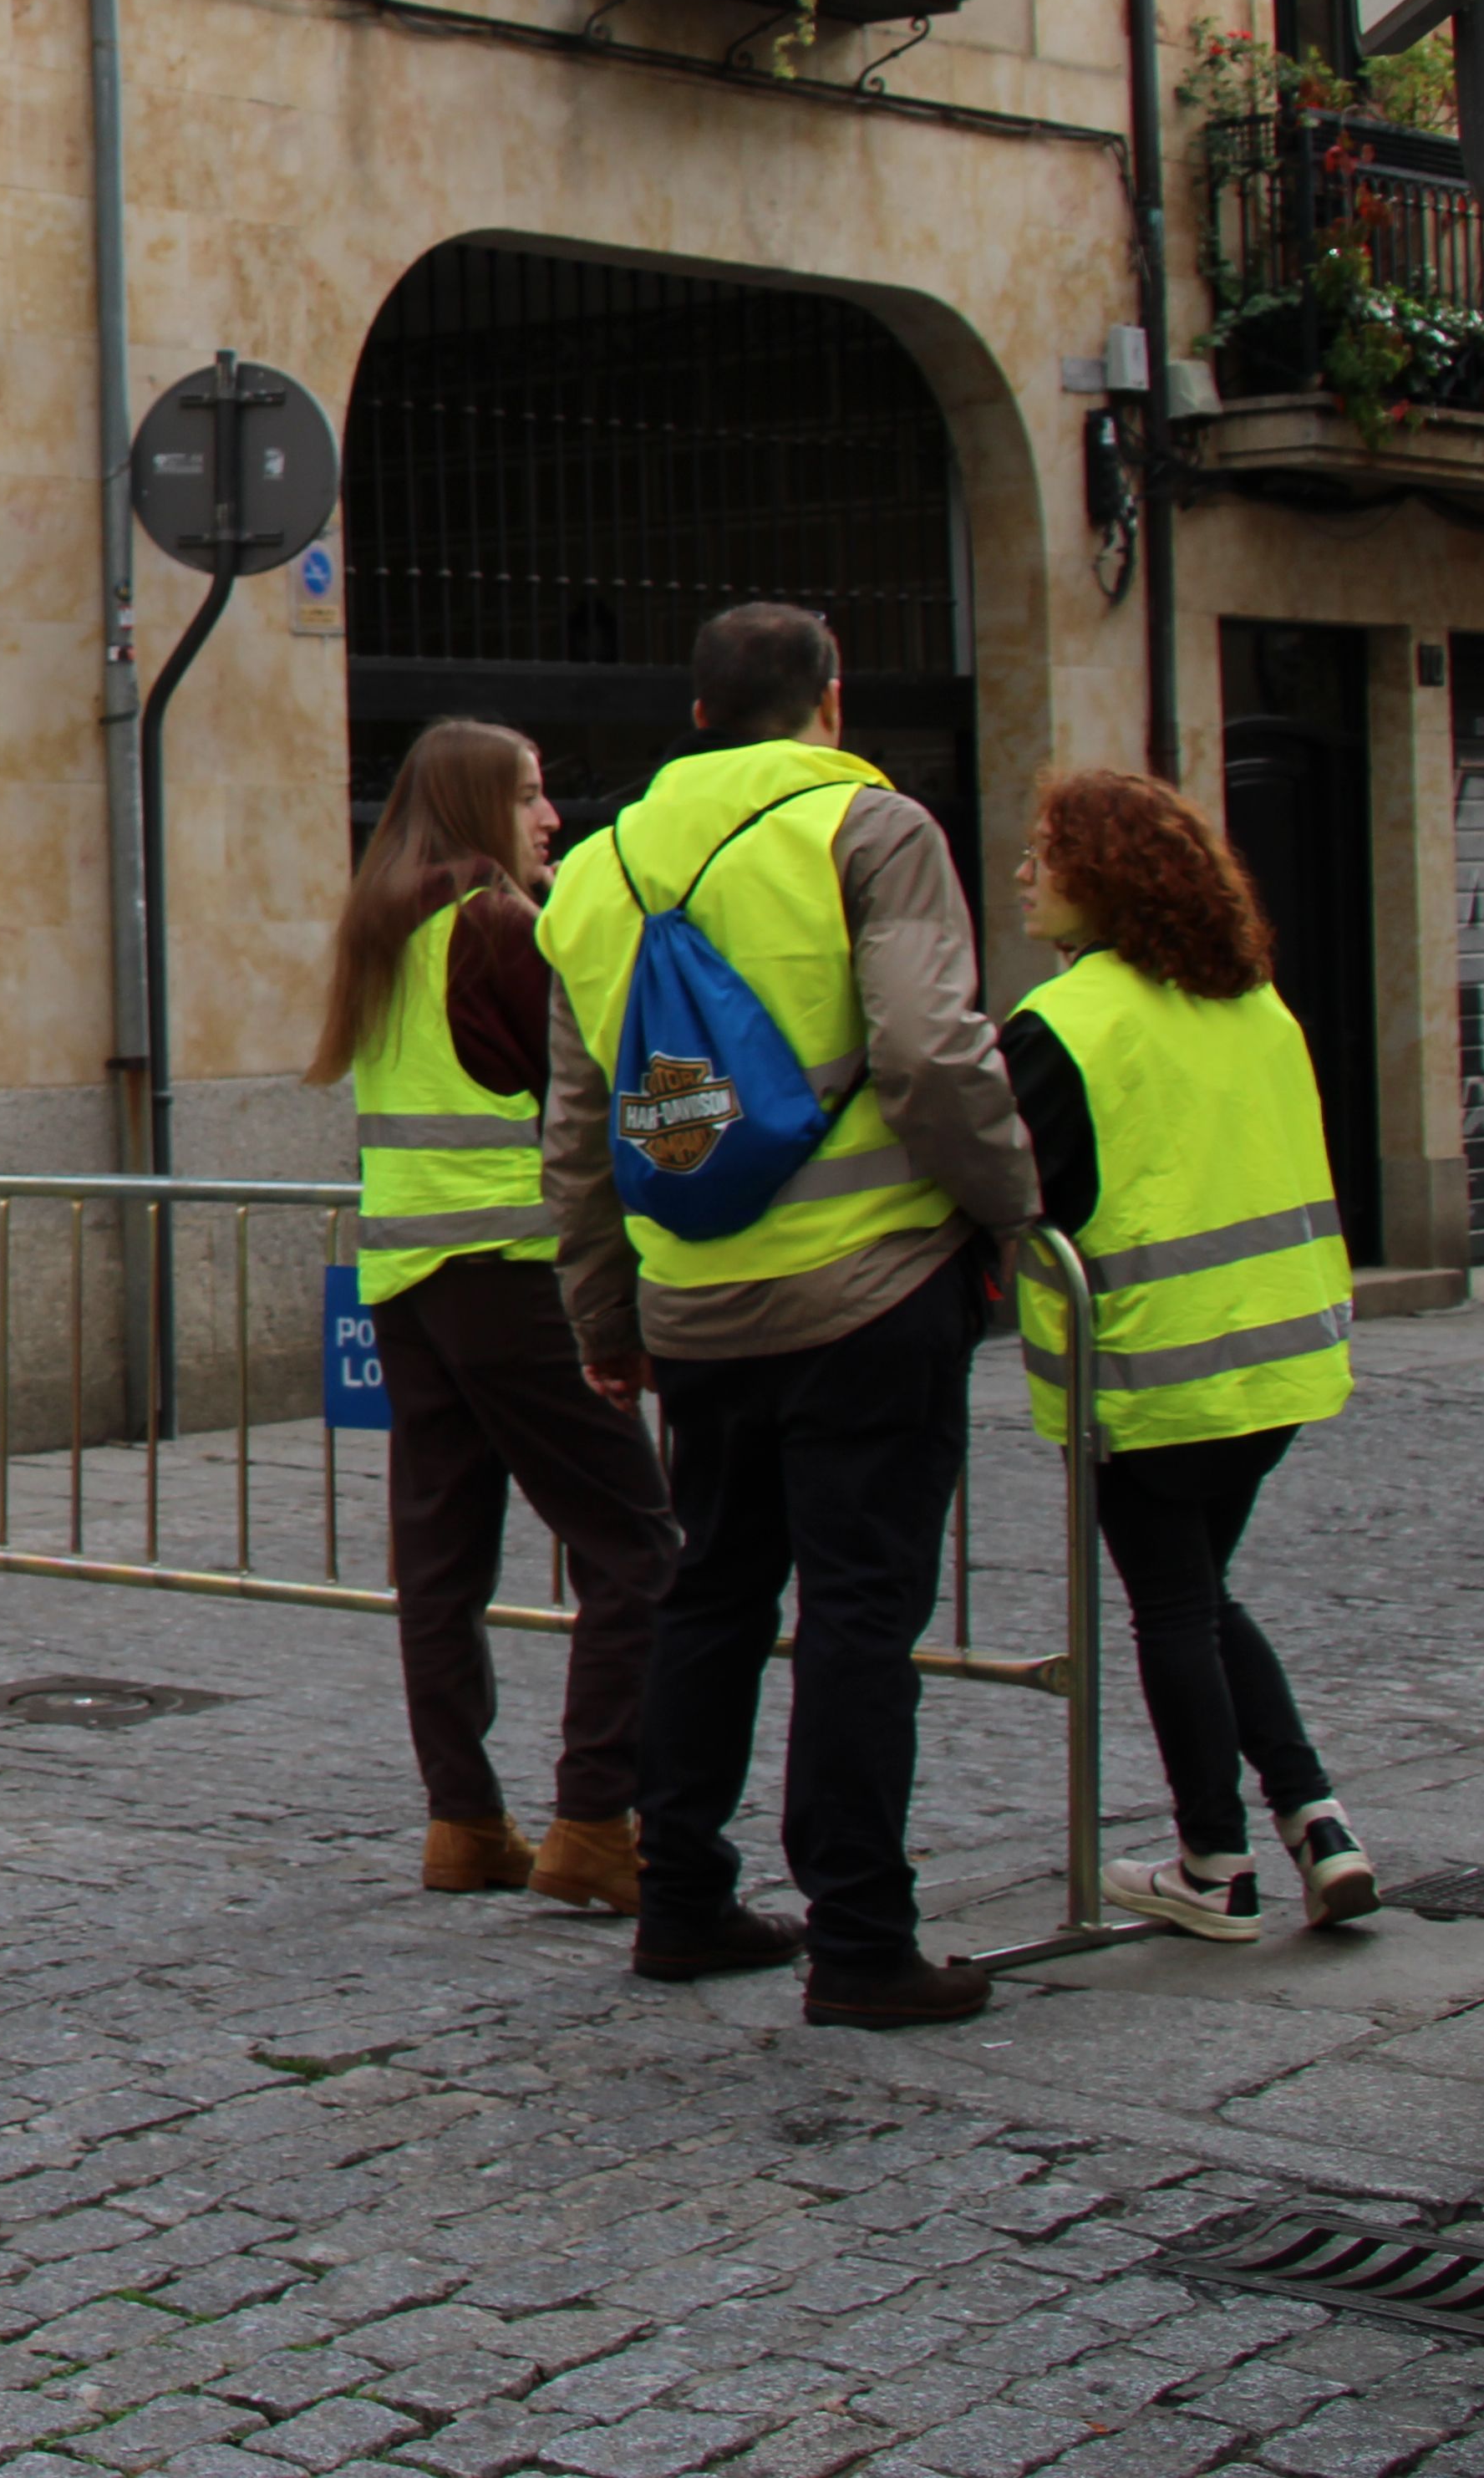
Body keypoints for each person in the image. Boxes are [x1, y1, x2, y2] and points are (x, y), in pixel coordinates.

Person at [535, 603, 1039, 2028]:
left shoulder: (598, 870)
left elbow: (577, 1130)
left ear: (695, 716)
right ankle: (864, 1939)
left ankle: (681, 1899)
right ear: (832, 700)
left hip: (697, 1306)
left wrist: (603, 1314)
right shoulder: (872, 830)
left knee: (712, 1594)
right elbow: (931, 1052)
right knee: (861, 1614)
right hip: (872, 1286)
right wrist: (1008, 1210)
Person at [307, 719, 680, 1916]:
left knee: (444, 1563)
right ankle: (593, 1822)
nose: (551, 818)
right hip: (514, 1275)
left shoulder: (381, 932)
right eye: (527, 796)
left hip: (408, 1283)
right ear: (477, 809)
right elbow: (593, 1082)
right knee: (639, 1550)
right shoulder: (495, 925)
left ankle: (464, 1821)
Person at [1004, 769, 1373, 1940]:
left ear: (1104, 880)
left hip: (1152, 1375)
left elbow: (1018, 1188)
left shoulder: (1065, 1024)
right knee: (1199, 1598)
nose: (1023, 871)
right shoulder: (1255, 1004)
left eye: (1044, 852)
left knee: (1172, 1605)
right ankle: (1315, 1820)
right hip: (1274, 1368)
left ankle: (1215, 1862)